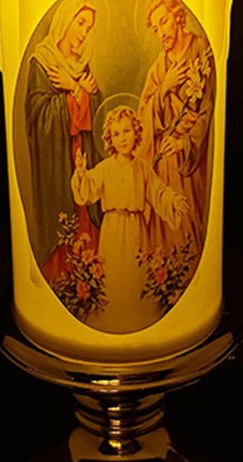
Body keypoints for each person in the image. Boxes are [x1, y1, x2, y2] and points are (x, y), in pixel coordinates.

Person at [71, 106, 188, 333]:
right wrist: (81, 173)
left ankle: (136, 318)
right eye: (116, 133)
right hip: (113, 229)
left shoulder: (142, 168)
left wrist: (173, 201)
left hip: (136, 230)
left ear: (136, 132)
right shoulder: (105, 168)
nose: (123, 138)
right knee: (114, 274)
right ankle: (112, 320)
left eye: (127, 131)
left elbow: (158, 191)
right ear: (110, 139)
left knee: (135, 275)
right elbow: (87, 190)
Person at [25, 0, 103, 283]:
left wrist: (84, 92)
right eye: (80, 23)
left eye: (89, 27)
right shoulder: (42, 62)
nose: (84, 32)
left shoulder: (82, 66)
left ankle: (88, 280)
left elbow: (97, 114)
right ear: (65, 20)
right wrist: (76, 93)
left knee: (85, 218)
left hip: (82, 158)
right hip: (57, 159)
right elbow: (36, 116)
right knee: (65, 223)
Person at [137, 0, 215, 259]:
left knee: (190, 226)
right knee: (166, 233)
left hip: (189, 161)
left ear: (179, 17)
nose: (161, 32)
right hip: (164, 164)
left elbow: (208, 110)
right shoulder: (159, 68)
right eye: (156, 28)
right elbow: (142, 120)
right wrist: (164, 89)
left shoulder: (202, 50)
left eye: (164, 22)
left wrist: (183, 143)